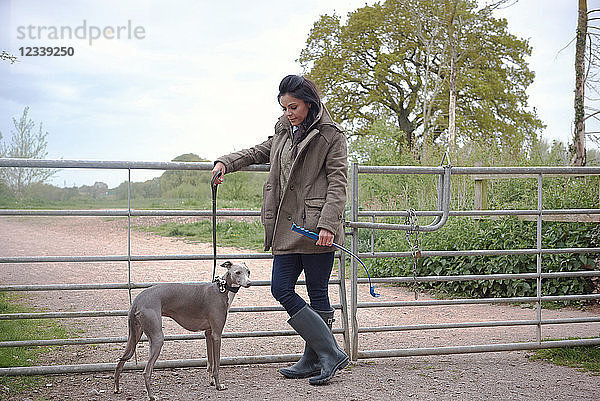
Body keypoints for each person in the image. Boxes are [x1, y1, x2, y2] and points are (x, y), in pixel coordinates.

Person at [211, 74, 348, 385]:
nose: (289, 112)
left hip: (317, 229)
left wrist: (328, 223)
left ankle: (315, 359)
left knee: (318, 293)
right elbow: (259, 151)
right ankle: (329, 352)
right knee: (280, 287)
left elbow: (338, 183)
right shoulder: (284, 131)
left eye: (294, 106)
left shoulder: (331, 135)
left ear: (310, 104)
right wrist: (224, 163)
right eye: (285, 107)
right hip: (286, 227)